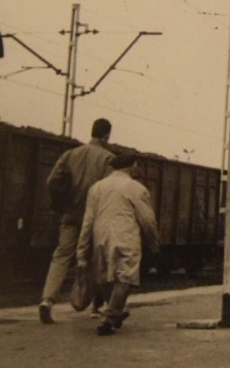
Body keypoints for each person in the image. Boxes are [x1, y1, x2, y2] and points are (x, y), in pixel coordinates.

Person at [38, 117, 113, 324]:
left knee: (61, 255)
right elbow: (108, 189)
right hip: (95, 218)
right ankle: (97, 307)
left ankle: (47, 300)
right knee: (97, 259)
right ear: (106, 135)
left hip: (70, 214)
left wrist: (61, 203)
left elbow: (52, 181)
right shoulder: (108, 159)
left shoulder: (71, 154)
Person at [76, 152, 160, 336]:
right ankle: (109, 318)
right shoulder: (136, 188)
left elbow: (87, 221)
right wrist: (154, 243)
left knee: (104, 278)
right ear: (132, 166)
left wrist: (82, 250)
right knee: (125, 278)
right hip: (125, 236)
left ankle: (116, 312)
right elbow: (147, 220)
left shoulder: (96, 188)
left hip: (100, 235)